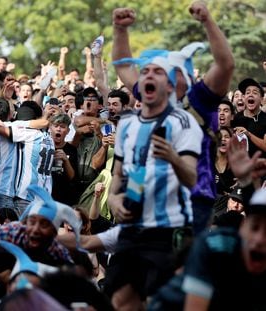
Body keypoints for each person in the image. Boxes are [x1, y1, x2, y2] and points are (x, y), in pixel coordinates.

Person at [112, 1, 234, 234]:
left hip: (192, 200)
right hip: (148, 199)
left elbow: (226, 65)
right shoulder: (151, 98)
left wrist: (207, 20)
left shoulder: (199, 98)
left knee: (179, 266)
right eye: (154, 69)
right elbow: (124, 67)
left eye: (170, 69)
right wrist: (119, 29)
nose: (160, 73)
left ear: (186, 75)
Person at [106, 53, 203, 309]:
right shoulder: (126, 124)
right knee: (118, 301)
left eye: (158, 72)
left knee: (156, 303)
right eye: (145, 71)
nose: (149, 74)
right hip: (131, 229)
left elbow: (194, 181)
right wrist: (113, 198)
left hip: (167, 231)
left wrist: (174, 158)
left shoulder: (184, 122)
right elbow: (118, 175)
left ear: (170, 87)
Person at [0, 185, 80, 287]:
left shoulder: (57, 251)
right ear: (25, 222)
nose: (35, 230)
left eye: (44, 225)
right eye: (32, 222)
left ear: (54, 232)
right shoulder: (13, 231)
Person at [232, 77, 266, 158]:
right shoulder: (236, 118)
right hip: (241, 167)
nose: (250, 94)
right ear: (244, 98)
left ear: (261, 99)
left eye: (255, 92)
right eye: (247, 93)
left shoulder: (265, 119)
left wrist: (249, 134)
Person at [49, 113, 78, 206]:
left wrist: (66, 160)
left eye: (62, 127)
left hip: (64, 199)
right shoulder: (43, 146)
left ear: (68, 131)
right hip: (45, 197)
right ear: (50, 128)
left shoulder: (72, 150)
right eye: (56, 126)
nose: (58, 129)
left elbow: (73, 177)